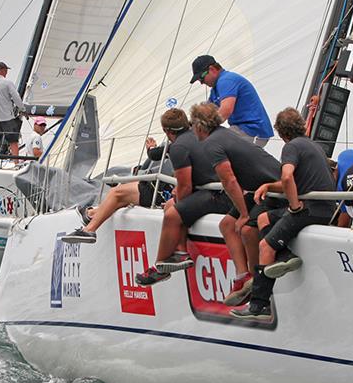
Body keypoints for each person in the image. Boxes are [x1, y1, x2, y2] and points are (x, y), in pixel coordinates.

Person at [230, 108, 337, 320]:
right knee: (262, 218)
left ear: (281, 133)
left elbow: (288, 178)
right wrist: (269, 185)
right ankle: (286, 255)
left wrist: (295, 207)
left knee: (264, 246)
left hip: (310, 209)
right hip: (325, 208)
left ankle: (260, 305)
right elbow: (296, 182)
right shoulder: (312, 145)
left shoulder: (291, 147)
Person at [189, 102, 284, 306]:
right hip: (259, 187)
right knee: (226, 225)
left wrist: (243, 214)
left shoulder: (212, 144)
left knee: (247, 229)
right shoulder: (222, 134)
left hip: (273, 189)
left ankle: (256, 280)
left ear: (200, 126)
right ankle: (243, 276)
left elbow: (229, 180)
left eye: (192, 125)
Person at [134, 109, 233, 285]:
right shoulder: (198, 134)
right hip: (218, 189)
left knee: (173, 214)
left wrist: (180, 200)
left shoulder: (178, 147)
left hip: (218, 194)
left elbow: (185, 186)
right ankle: (180, 252)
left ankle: (160, 266)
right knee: (170, 206)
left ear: (166, 131)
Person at [60, 114, 177, 244]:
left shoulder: (180, 144)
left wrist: (151, 147)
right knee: (128, 187)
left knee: (117, 193)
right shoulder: (189, 140)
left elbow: (154, 154)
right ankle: (94, 213)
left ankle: (89, 229)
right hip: (171, 189)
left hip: (169, 193)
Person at [190, 55, 273, 147]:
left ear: (212, 69)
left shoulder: (226, 80)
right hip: (242, 128)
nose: (201, 83)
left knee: (214, 145)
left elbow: (226, 111)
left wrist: (204, 129)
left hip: (252, 129)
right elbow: (205, 112)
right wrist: (189, 125)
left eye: (201, 78)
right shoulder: (216, 88)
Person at [0, 61, 25, 163]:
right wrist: (22, 109)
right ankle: (16, 162)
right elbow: (16, 98)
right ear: (2, 70)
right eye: (6, 70)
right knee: (13, 141)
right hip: (7, 117)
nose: (7, 72)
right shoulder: (7, 83)